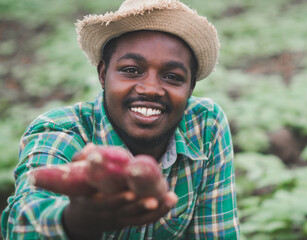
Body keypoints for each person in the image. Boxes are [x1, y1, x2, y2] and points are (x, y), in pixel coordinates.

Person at [1, 0, 240, 239]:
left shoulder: (205, 124)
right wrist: (75, 221)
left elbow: (218, 233)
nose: (151, 89)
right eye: (131, 70)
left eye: (172, 76)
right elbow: (23, 224)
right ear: (104, 74)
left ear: (190, 88)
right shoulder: (61, 131)